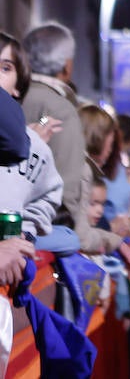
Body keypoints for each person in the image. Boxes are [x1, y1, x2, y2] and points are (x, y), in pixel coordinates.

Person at [20, 23, 84, 240]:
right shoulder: (62, 109)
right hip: (40, 234)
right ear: (67, 66)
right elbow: (67, 194)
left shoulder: (10, 96)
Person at [0, 32, 61, 240]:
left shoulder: (36, 146)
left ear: (19, 84)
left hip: (14, 254)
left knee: (68, 238)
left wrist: (26, 234)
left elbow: (48, 195)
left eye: (5, 68)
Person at [76, 104, 130, 275]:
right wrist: (115, 240)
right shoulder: (81, 171)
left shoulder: (85, 169)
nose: (110, 151)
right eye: (111, 143)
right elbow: (80, 235)